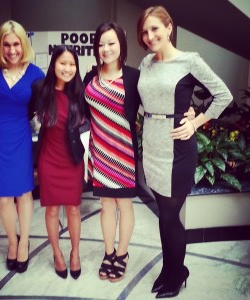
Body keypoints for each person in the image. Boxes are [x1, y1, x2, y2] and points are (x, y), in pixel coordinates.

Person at [136, 6, 233, 298]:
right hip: (152, 144)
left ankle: (177, 274)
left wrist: (195, 122)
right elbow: (144, 101)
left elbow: (223, 95)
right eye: (144, 31)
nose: (150, 36)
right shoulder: (146, 63)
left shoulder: (190, 61)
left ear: (169, 27)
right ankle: (170, 271)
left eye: (155, 28)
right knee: (164, 215)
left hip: (177, 147)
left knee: (169, 216)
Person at [0, 20, 44, 273]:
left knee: (24, 193)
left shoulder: (37, 74)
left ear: (24, 44)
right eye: (7, 44)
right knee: (3, 198)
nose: (12, 50)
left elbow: (43, 111)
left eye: (16, 44)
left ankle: (24, 241)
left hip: (20, 137)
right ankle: (12, 241)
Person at [83, 22, 141, 282]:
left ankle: (122, 253)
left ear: (121, 45)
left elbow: (153, 102)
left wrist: (187, 111)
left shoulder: (133, 77)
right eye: (101, 44)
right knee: (105, 205)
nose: (105, 49)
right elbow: (82, 114)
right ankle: (109, 254)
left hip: (125, 154)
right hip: (100, 151)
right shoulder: (89, 78)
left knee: (124, 204)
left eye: (111, 43)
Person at [30, 45, 85, 280]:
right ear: (54, 64)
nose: (68, 68)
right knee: (52, 210)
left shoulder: (80, 91)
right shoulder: (40, 89)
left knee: (73, 209)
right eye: (63, 63)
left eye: (72, 64)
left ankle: (75, 253)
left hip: (72, 159)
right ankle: (57, 254)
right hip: (48, 159)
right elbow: (28, 118)